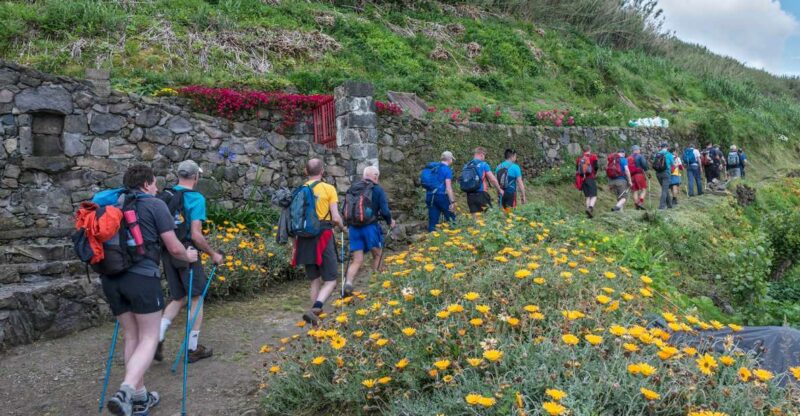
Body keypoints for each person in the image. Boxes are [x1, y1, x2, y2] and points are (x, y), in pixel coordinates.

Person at [103, 165, 198, 416]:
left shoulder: (114, 203)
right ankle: (125, 390)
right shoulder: (155, 205)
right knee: (149, 337)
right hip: (142, 278)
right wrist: (188, 256)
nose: (156, 188)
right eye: (154, 183)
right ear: (146, 184)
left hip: (111, 279)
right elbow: (174, 248)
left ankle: (139, 398)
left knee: (131, 336)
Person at [156, 160, 223, 364]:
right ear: (196, 177)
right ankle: (193, 349)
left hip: (168, 251)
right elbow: (196, 235)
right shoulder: (196, 198)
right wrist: (213, 254)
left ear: (179, 175)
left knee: (178, 297)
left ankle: (157, 336)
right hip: (187, 253)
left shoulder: (165, 196)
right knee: (196, 298)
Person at [292, 158, 345, 325]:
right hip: (323, 236)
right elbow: (335, 217)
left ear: (305, 172)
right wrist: (343, 228)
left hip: (304, 238)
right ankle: (316, 307)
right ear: (322, 171)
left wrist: (293, 245)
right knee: (331, 280)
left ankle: (314, 322)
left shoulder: (300, 190)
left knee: (314, 280)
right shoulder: (329, 189)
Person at [342, 166, 396, 297]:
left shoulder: (353, 188)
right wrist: (390, 221)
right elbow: (385, 211)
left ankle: (348, 283)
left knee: (357, 260)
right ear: (376, 177)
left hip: (353, 228)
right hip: (370, 228)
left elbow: (344, 208)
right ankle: (376, 285)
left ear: (364, 175)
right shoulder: (377, 189)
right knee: (377, 255)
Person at [462, 147, 504, 219]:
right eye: (484, 156)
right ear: (481, 155)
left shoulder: (466, 165)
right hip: (481, 194)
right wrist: (499, 189)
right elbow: (493, 179)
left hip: (470, 195)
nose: (484, 158)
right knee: (489, 216)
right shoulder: (483, 165)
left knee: (475, 219)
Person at [424, 151, 457, 232]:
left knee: (433, 221)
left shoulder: (433, 167)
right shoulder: (446, 169)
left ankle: (431, 237)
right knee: (451, 218)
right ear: (449, 159)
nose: (452, 161)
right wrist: (452, 202)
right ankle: (455, 235)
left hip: (429, 196)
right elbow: (448, 188)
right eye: (451, 159)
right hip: (441, 196)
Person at [575, 145, 599, 218]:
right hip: (590, 178)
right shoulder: (593, 156)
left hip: (583, 179)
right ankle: (590, 208)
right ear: (589, 149)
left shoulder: (579, 158)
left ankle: (588, 213)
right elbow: (596, 167)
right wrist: (595, 173)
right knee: (594, 195)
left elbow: (577, 169)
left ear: (583, 150)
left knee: (587, 196)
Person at [653, 142, 675, 210]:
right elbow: (673, 164)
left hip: (658, 174)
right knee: (664, 190)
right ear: (667, 147)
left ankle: (670, 205)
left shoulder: (657, 154)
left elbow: (654, 163)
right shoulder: (669, 154)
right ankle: (661, 207)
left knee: (665, 189)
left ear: (661, 147)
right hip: (666, 173)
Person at [628, 145, 649, 210]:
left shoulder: (629, 157)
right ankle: (640, 203)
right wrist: (647, 171)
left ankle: (636, 205)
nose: (640, 150)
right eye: (639, 149)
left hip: (632, 176)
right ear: (637, 150)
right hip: (639, 175)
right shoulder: (640, 156)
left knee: (635, 190)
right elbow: (644, 165)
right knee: (644, 189)